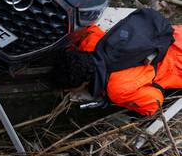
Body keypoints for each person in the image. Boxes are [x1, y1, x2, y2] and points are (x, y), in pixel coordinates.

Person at [50, 23, 182, 116]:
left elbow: (154, 104)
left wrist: (115, 101)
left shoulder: (117, 90)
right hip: (175, 35)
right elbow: (91, 29)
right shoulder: (91, 42)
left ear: (83, 83)